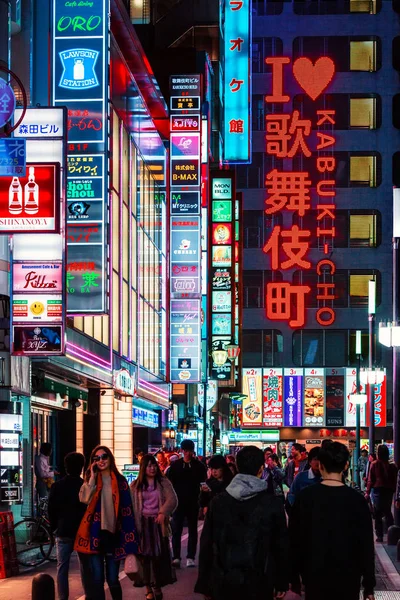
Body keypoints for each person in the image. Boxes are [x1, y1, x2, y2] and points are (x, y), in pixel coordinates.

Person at [195, 445, 288, 600]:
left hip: (224, 577)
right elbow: (281, 545)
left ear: (237, 466)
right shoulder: (272, 504)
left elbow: (207, 543)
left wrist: (205, 582)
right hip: (261, 579)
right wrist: (281, 582)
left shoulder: (219, 502)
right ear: (260, 469)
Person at [289, 441, 375, 600]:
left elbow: (294, 541)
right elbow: (366, 545)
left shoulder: (305, 498)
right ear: (345, 466)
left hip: (314, 576)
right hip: (349, 578)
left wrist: (294, 578)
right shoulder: (357, 501)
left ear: (320, 465)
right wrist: (369, 585)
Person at [75, 445, 139, 600]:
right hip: (95, 535)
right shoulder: (92, 480)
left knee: (112, 579)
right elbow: (83, 499)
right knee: (97, 579)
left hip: (114, 535)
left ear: (110, 458)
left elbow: (129, 509)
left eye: (104, 457)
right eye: (96, 458)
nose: (101, 461)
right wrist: (91, 476)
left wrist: (132, 536)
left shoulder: (121, 481)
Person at [130, 454, 178, 600]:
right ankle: (148, 588)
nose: (152, 468)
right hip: (142, 525)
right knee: (144, 558)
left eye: (154, 465)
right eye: (149, 466)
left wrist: (163, 512)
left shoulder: (163, 482)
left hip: (158, 525)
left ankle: (157, 585)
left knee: (158, 557)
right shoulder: (135, 486)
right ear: (143, 468)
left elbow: (173, 499)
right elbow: (130, 506)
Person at [48, 452, 86, 600]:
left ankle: (63, 597)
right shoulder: (84, 485)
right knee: (85, 567)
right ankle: (88, 594)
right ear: (81, 468)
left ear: (66, 467)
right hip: (82, 531)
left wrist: (54, 528)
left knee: (62, 567)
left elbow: (51, 509)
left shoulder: (57, 486)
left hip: (63, 531)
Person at [167, 439, 207, 568]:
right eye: (185, 451)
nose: (187, 453)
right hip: (178, 503)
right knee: (176, 530)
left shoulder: (199, 466)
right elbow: (169, 484)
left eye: (189, 451)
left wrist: (203, 503)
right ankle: (176, 557)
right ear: (182, 451)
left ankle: (190, 556)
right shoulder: (175, 466)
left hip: (193, 502)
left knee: (193, 530)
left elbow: (203, 484)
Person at [366, 443, 398, 542]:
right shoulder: (392, 466)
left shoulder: (374, 464)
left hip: (377, 490)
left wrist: (367, 492)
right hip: (388, 491)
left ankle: (380, 536)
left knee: (378, 513)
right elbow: (395, 480)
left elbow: (371, 480)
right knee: (387, 511)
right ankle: (392, 534)